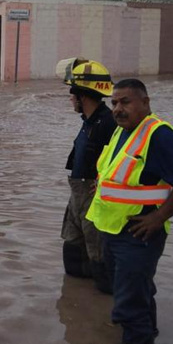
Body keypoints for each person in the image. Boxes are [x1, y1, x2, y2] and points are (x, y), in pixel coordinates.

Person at [86, 78, 173, 344]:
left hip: (138, 234)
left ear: (145, 102)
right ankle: (147, 333)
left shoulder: (158, 134)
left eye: (125, 102)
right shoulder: (122, 131)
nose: (117, 109)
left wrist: (158, 218)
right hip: (113, 229)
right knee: (134, 290)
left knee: (128, 302)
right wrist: (101, 183)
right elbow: (123, 173)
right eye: (114, 103)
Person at [57, 58, 117, 294]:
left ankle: (106, 304)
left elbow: (123, 158)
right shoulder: (90, 121)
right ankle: (81, 301)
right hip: (77, 195)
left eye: (73, 93)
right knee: (73, 258)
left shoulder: (108, 123)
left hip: (93, 198)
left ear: (84, 95)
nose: (70, 98)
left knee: (98, 255)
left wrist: (104, 182)